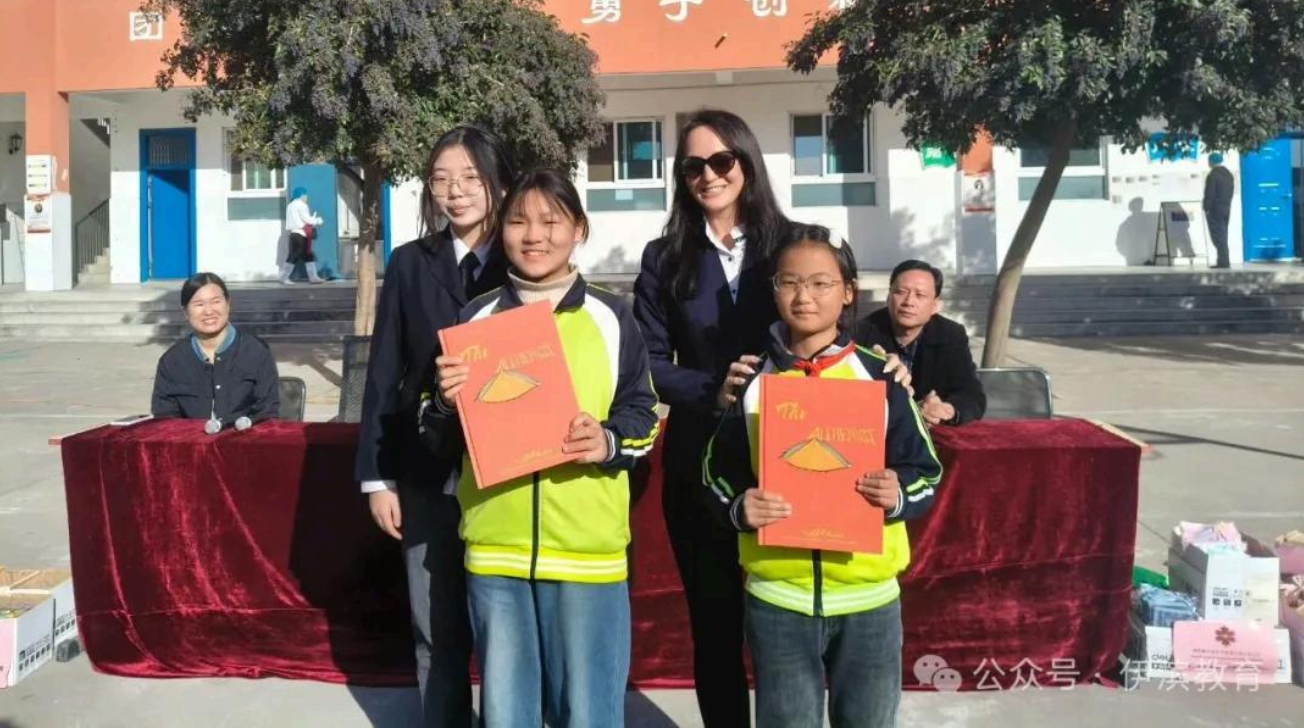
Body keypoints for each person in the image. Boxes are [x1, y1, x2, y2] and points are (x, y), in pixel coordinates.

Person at [632, 108, 909, 727]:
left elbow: (837, 316)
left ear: (748, 162)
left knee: (794, 626)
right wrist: (713, 388)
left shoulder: (790, 241)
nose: (709, 175)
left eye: (722, 161)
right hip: (706, 464)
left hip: (800, 458)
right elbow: (647, 362)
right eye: (694, 166)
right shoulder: (664, 257)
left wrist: (887, 363)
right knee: (715, 625)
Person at [425, 169, 659, 728]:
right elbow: (436, 436)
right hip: (496, 551)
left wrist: (605, 441)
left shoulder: (611, 317)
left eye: (551, 221)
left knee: (590, 711)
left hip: (587, 553)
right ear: (499, 230)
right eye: (518, 221)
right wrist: (444, 401)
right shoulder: (474, 320)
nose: (535, 235)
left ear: (578, 228)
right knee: (507, 713)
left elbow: (643, 415)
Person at [703, 225, 942, 728]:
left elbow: (925, 472)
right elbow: (715, 475)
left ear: (848, 291)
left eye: (820, 283)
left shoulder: (881, 378)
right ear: (773, 290)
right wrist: (740, 508)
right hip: (777, 600)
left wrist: (897, 492)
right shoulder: (752, 379)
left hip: (869, 601)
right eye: (789, 282)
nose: (803, 296)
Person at [354, 125, 516, 727]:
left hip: (507, 471)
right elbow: (384, 373)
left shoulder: (520, 257)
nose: (456, 192)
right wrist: (377, 478)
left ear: (496, 181)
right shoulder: (409, 263)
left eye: (471, 177)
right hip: (425, 473)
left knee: (506, 632)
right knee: (435, 627)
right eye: (442, 179)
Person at [854, 260, 986, 426]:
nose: (909, 302)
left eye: (920, 295)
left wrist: (947, 410)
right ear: (888, 297)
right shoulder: (861, 332)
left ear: (936, 305)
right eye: (900, 292)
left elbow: (972, 394)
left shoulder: (951, 335)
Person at [151, 272, 280, 424]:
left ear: (228, 303)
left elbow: (267, 413)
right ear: (185, 311)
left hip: (243, 443)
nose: (209, 311)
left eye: (216, 301)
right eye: (199, 304)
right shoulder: (172, 362)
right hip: (191, 445)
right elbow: (165, 419)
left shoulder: (256, 352)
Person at [282, 187, 326, 284]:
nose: (306, 197)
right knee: (295, 255)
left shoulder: (290, 205)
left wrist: (311, 220)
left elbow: (299, 219)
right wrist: (317, 220)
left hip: (294, 233)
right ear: (301, 195)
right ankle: (283, 277)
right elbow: (306, 219)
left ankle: (313, 277)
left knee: (307, 255)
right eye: (305, 195)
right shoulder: (302, 205)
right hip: (301, 233)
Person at [1203, 152, 1234, 269]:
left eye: (1209, 161)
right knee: (1223, 235)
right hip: (1226, 208)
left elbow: (1210, 193)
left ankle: (1224, 262)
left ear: (1211, 162)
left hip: (1215, 210)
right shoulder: (1229, 175)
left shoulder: (1213, 175)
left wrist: (1206, 207)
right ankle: (1222, 260)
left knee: (1217, 236)